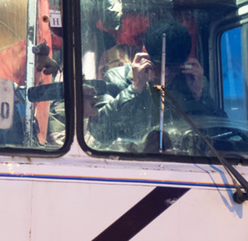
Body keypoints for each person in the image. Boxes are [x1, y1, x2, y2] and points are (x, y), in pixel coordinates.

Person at [89, 22, 221, 148]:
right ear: (144, 52)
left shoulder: (191, 81)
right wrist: (135, 89)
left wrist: (199, 96)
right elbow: (99, 132)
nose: (166, 72)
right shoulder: (117, 78)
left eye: (173, 66)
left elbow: (219, 135)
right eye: (160, 63)